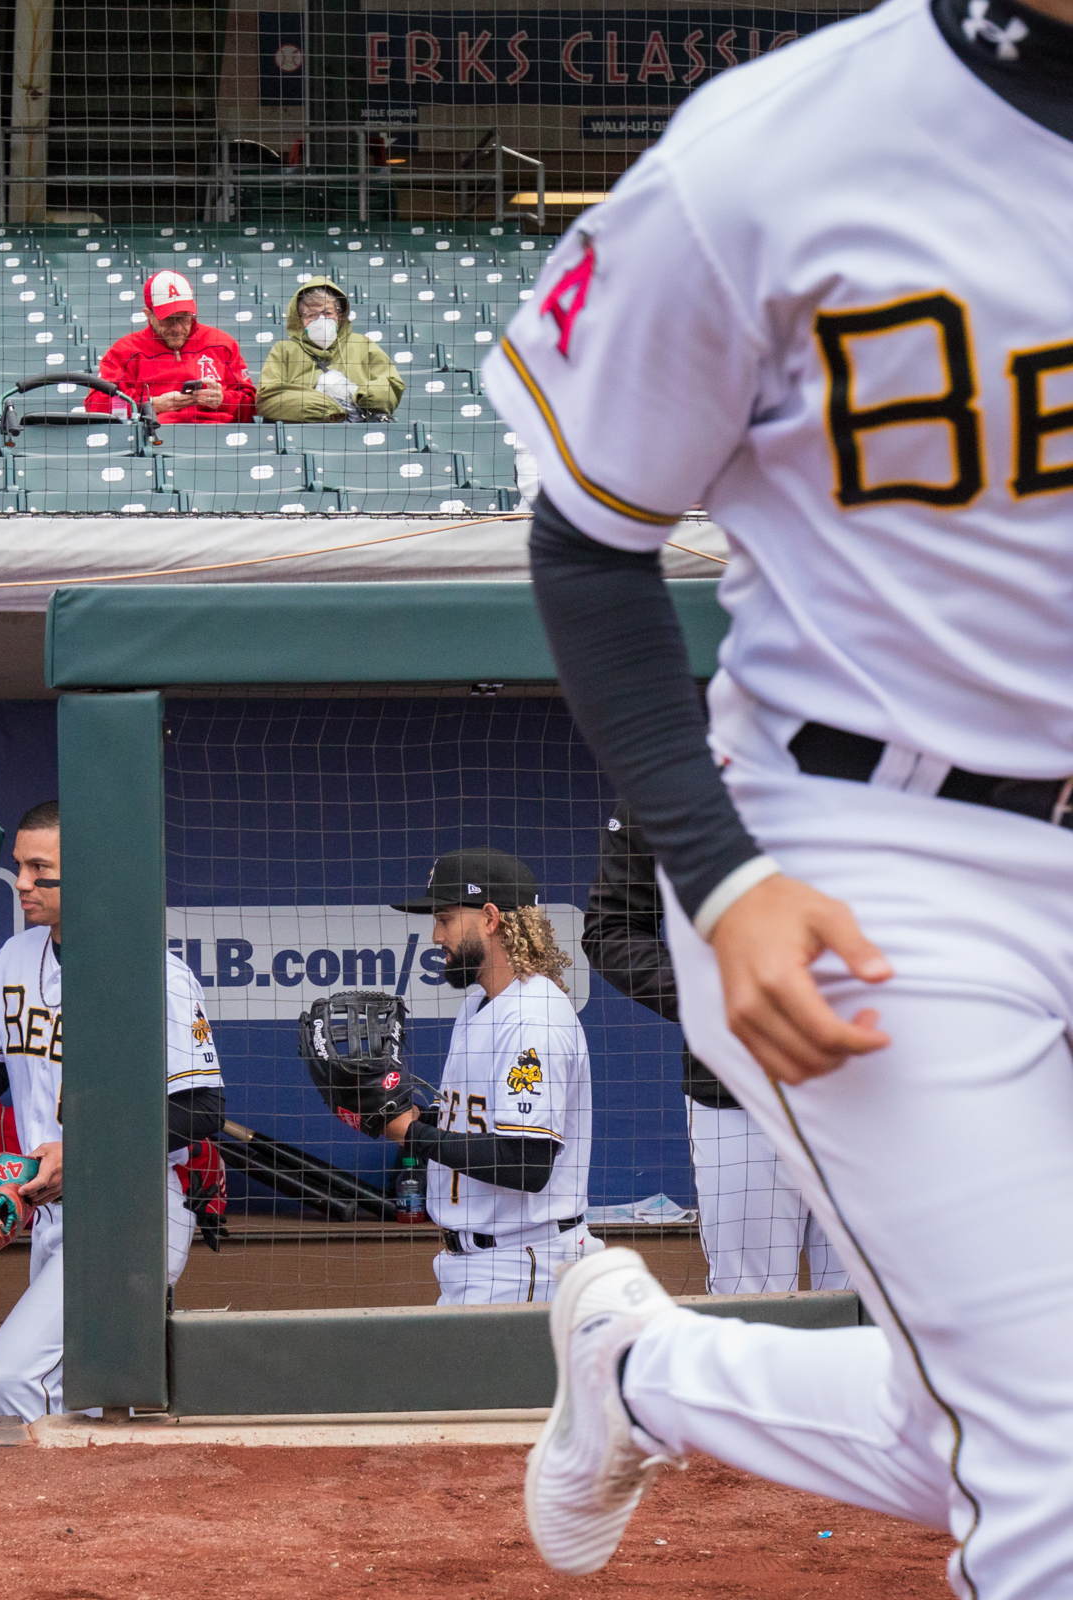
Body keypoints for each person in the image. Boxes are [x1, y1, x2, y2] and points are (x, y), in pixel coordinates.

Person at [498, 0, 1073, 1584]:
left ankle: (644, 1373)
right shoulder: (772, 154)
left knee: (1010, 1408)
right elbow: (590, 539)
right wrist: (725, 874)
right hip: (886, 851)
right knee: (1060, 1463)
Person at [0, 801, 225, 1421]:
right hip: (51, 1211)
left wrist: (88, 1150)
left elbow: (203, 1108)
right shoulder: (12, 961)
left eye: (41, 869)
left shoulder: (156, 975)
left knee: (13, 1378)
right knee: (87, 1400)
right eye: (19, 866)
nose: (22, 884)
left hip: (133, 1209)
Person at [584, 804, 850, 1295]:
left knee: (879, 1306)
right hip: (739, 1087)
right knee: (752, 1301)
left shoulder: (862, 756)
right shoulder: (669, 780)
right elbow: (612, 928)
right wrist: (721, 998)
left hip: (867, 1080)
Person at [383, 848, 596, 1305]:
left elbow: (527, 1163)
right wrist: (412, 1115)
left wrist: (412, 1135)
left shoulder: (532, 1016)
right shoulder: (478, 1006)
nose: (436, 935)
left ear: (490, 918)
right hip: (481, 1264)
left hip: (524, 1265)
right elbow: (477, 1123)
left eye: (444, 919)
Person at [85, 269, 256, 425]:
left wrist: (223, 401)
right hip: (154, 437)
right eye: (167, 319)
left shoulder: (221, 343)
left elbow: (252, 406)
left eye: (183, 317)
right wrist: (151, 404)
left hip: (216, 438)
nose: (177, 328)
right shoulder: (125, 350)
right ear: (148, 314)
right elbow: (96, 404)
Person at [255, 279, 402, 423]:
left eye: (327, 313)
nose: (320, 321)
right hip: (305, 434)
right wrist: (327, 408)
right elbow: (268, 399)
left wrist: (359, 396)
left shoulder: (363, 344)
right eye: (311, 315)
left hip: (359, 432)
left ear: (339, 315)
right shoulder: (284, 349)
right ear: (300, 319)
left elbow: (391, 385)